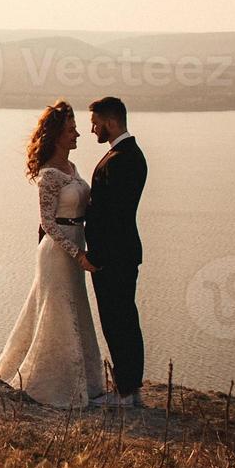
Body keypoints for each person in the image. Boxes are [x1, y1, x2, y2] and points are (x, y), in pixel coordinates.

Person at [0, 101, 104, 408]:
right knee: (58, 314)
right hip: (58, 253)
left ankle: (86, 382)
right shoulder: (50, 175)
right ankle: (52, 384)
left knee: (75, 310)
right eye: (71, 130)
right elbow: (47, 222)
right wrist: (77, 254)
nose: (78, 134)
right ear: (57, 135)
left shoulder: (72, 169)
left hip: (76, 243)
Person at [85, 96, 148, 408]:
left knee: (117, 320)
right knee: (125, 319)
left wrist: (96, 257)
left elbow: (113, 216)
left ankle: (125, 392)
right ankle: (130, 388)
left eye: (95, 122)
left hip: (113, 256)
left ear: (110, 122)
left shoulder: (122, 159)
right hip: (121, 253)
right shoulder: (127, 154)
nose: (92, 128)